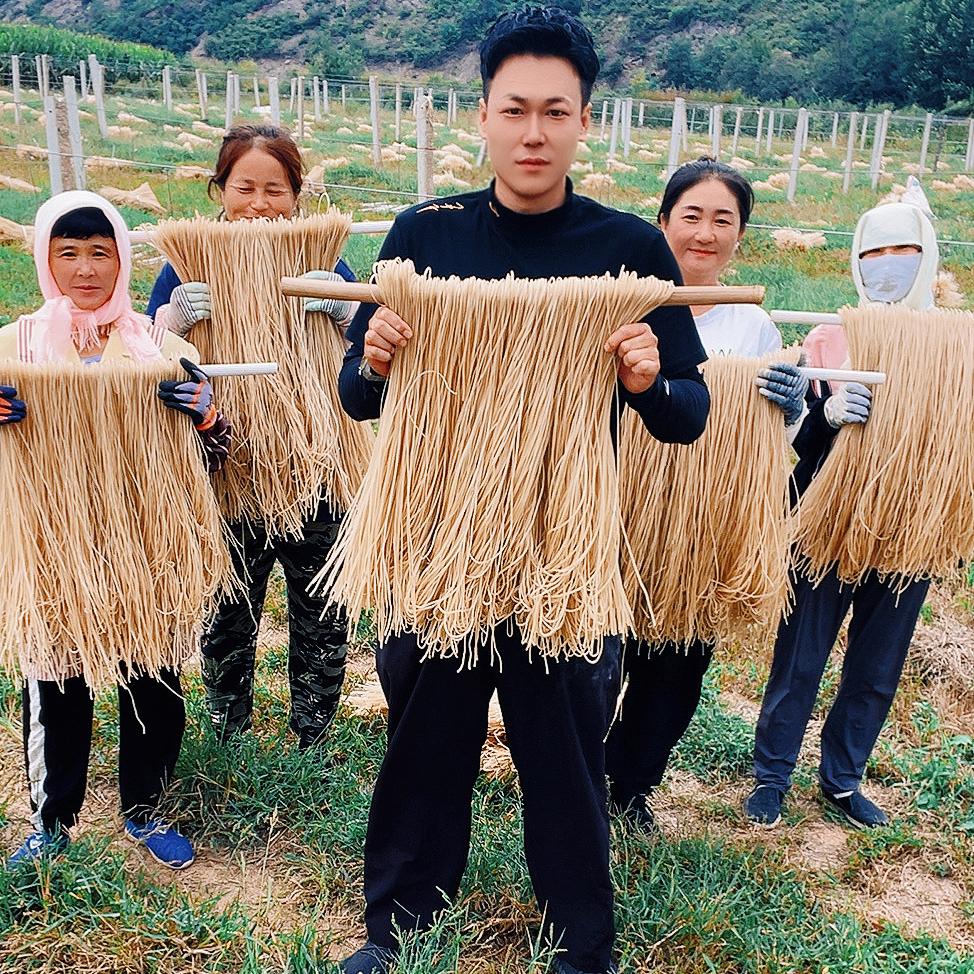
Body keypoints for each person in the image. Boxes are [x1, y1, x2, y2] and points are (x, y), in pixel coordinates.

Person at [337, 9, 710, 974]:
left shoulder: (627, 249)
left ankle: (583, 945)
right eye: (515, 110)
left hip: (563, 549)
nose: (534, 132)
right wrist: (375, 358)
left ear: (585, 120)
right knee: (425, 742)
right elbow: (355, 396)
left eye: (556, 111)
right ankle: (399, 927)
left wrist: (644, 379)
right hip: (438, 538)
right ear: (485, 117)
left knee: (566, 757)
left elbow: (687, 413)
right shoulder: (427, 233)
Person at [1, 190, 231, 870]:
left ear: (122, 259)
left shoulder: (161, 347)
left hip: (146, 543)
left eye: (100, 252)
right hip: (51, 546)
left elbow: (217, 460)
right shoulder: (14, 347)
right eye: (67, 252)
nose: (85, 268)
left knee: (154, 681)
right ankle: (51, 821)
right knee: (54, 685)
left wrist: (206, 419)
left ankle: (145, 809)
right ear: (45, 259)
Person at [604, 157, 808, 833]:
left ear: (741, 236)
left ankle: (630, 787)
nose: (706, 232)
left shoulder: (755, 328)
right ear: (662, 223)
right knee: (596, 658)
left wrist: (794, 403)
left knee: (675, 674)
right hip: (617, 506)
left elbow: (778, 433)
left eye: (724, 219)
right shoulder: (621, 305)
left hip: (699, 524)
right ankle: (577, 776)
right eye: (691, 215)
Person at [148, 124, 358, 750]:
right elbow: (147, 363)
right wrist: (169, 322)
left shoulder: (325, 260)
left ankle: (313, 734)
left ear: (298, 195)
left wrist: (347, 312)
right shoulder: (188, 264)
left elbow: (371, 358)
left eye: (277, 189)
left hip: (315, 464)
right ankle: (226, 727)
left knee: (322, 605)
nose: (261, 204)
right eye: (246, 187)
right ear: (220, 190)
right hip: (224, 463)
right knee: (226, 606)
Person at [745, 191, 941, 830]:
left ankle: (842, 779)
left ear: (928, 256)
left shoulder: (953, 348)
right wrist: (826, 417)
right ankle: (772, 776)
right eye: (873, 252)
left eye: (902, 251)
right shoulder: (830, 338)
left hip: (910, 530)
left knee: (877, 665)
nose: (887, 264)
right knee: (799, 655)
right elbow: (797, 453)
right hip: (825, 524)